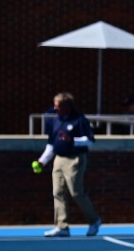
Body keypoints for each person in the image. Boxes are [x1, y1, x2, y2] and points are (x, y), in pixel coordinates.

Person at [37, 92, 100, 237]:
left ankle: (94, 220)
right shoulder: (56, 121)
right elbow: (51, 144)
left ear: (67, 106)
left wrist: (73, 141)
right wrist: (42, 161)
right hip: (58, 159)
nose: (55, 108)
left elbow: (90, 140)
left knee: (76, 192)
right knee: (58, 193)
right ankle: (62, 226)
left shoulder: (80, 120)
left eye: (57, 106)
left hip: (75, 159)